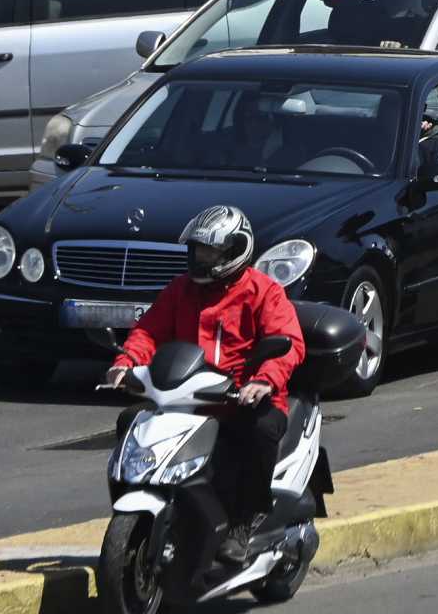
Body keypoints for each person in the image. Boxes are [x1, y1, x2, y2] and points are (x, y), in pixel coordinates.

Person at [103, 206, 303, 558]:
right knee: (129, 422)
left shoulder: (264, 291)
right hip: (188, 399)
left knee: (260, 431)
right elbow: (149, 331)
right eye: (197, 249)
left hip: (244, 399)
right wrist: (126, 362)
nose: (201, 258)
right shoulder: (181, 290)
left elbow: (289, 342)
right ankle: (139, 514)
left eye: (210, 251)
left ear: (234, 250)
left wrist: (263, 381)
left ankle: (247, 518)